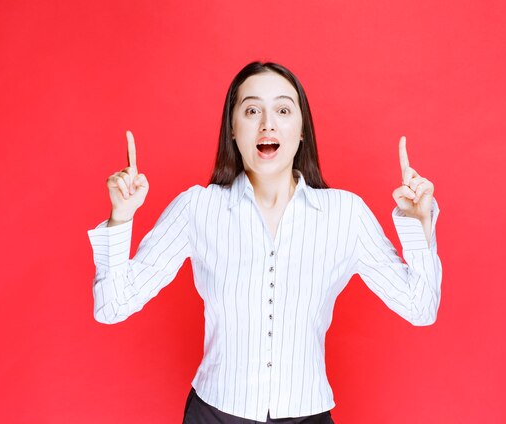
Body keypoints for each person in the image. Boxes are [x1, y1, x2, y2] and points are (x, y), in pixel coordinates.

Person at [87, 62, 442, 424]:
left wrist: (418, 222)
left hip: (308, 416)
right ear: (233, 130)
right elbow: (111, 307)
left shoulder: (345, 214)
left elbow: (420, 308)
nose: (267, 124)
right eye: (252, 110)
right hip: (215, 414)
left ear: (302, 130)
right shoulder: (198, 208)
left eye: (283, 110)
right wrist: (121, 217)